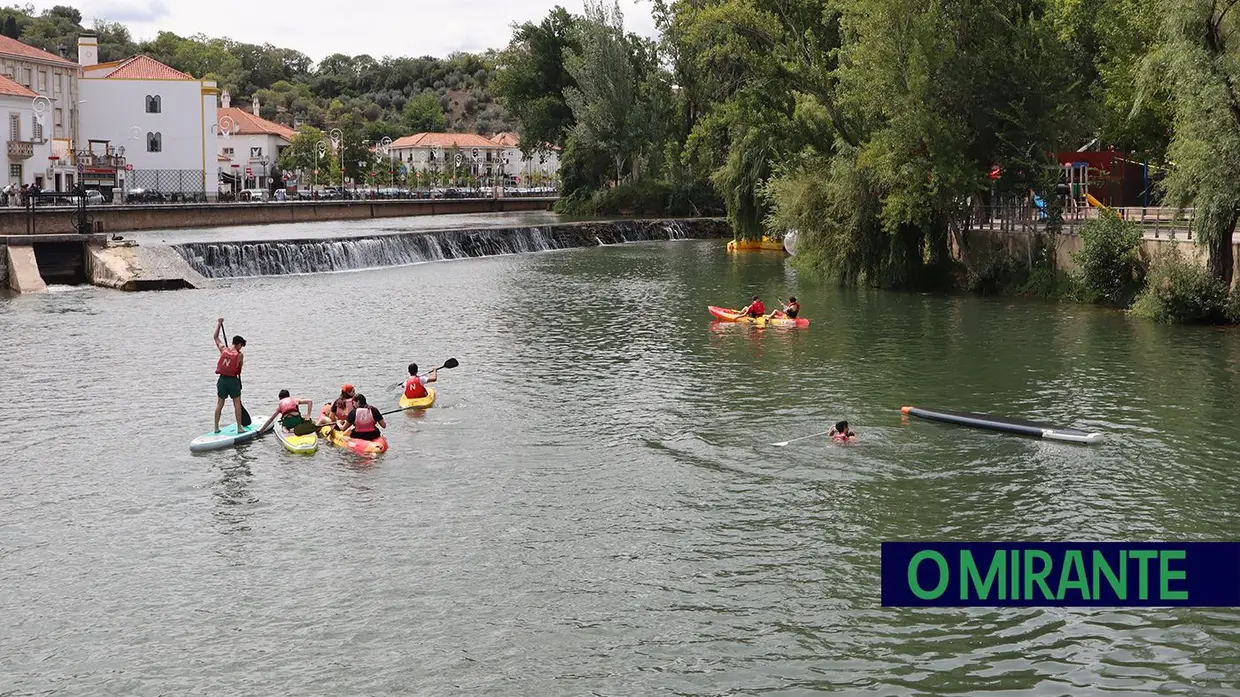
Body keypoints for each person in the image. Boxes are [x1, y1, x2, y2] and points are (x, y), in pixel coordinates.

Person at [212, 318, 247, 433]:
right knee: (237, 404)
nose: (241, 348)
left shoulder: (223, 349)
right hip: (232, 380)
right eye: (241, 346)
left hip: (222, 380)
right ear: (239, 344)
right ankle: (239, 428)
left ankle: (216, 428)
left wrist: (219, 324)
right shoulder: (240, 355)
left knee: (219, 404)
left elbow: (216, 337)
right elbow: (239, 369)